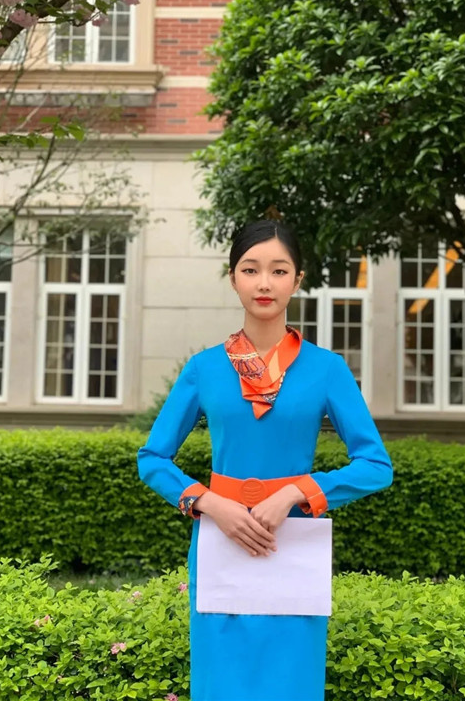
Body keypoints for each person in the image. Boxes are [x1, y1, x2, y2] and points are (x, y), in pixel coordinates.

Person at [137, 220, 393, 701]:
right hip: (220, 542)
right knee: (220, 683)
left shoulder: (326, 369)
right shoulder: (204, 368)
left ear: (297, 281)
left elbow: (376, 465)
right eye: (250, 269)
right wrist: (209, 503)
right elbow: (152, 458)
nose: (264, 283)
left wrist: (298, 492)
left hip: (291, 543)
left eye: (279, 270)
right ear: (233, 278)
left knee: (290, 682)